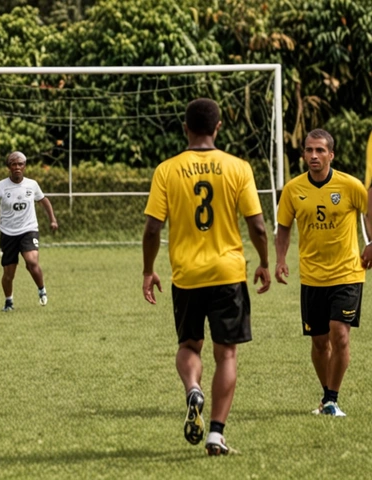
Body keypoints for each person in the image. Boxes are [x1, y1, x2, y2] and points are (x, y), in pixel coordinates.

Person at [142, 98, 270, 456]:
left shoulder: (167, 169)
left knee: (189, 346)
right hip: (228, 272)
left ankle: (192, 388)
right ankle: (216, 433)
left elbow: (152, 229)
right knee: (226, 354)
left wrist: (148, 270)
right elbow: (258, 225)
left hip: (186, 276)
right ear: (217, 128)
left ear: (185, 128)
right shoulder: (238, 167)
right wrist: (263, 260)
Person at [275, 128, 370, 417]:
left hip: (348, 273)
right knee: (319, 342)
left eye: (319, 150)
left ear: (331, 154)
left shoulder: (351, 186)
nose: (313, 155)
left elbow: (369, 212)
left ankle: (331, 399)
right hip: (312, 277)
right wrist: (280, 259)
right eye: (308, 150)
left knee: (339, 334)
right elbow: (284, 228)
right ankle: (327, 396)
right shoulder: (293, 189)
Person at [0, 151, 58, 311]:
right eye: (13, 164)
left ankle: (41, 290)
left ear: (24, 166)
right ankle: (9, 302)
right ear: (8, 167)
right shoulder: (1, 186)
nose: (17, 167)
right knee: (9, 274)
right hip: (8, 233)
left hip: (28, 230)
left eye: (20, 164)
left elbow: (44, 201)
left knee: (32, 262)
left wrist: (52, 219)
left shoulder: (32, 185)